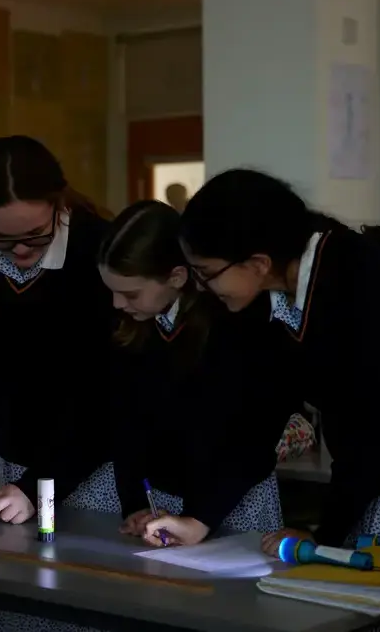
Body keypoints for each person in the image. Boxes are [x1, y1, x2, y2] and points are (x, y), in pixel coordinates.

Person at [178, 169, 380, 632]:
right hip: (364, 484)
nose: (203, 287)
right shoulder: (263, 301)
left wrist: (322, 534)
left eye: (207, 274)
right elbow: (258, 420)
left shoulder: (362, 275)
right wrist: (200, 519)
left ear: (257, 261)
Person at [0, 135, 116, 632]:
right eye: (1, 237)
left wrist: (41, 483)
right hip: (8, 454)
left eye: (35, 236)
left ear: (59, 202)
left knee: (82, 603)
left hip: (85, 459)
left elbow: (97, 386)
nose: (19, 250)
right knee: (17, 603)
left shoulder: (96, 247)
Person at [100, 200, 287, 548]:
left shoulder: (231, 323)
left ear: (177, 277)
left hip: (230, 502)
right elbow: (124, 423)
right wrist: (135, 504)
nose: (116, 304)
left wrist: (200, 518)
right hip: (163, 503)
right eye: (112, 291)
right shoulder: (134, 327)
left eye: (129, 293)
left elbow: (251, 438)